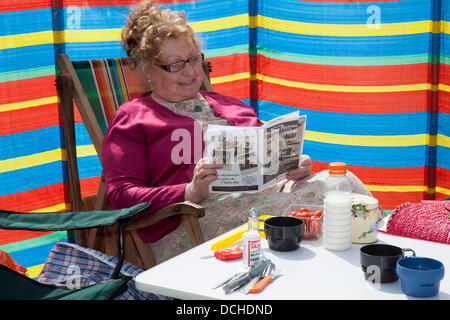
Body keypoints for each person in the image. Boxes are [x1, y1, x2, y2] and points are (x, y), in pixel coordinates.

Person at [102, 0, 372, 264]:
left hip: (262, 201)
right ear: (147, 70)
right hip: (192, 222)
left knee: (342, 182)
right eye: (175, 64)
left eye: (194, 59)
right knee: (331, 202)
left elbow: (264, 162)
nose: (191, 71)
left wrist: (291, 165)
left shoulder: (230, 106)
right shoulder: (134, 119)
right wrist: (189, 191)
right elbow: (120, 196)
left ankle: (373, 271)